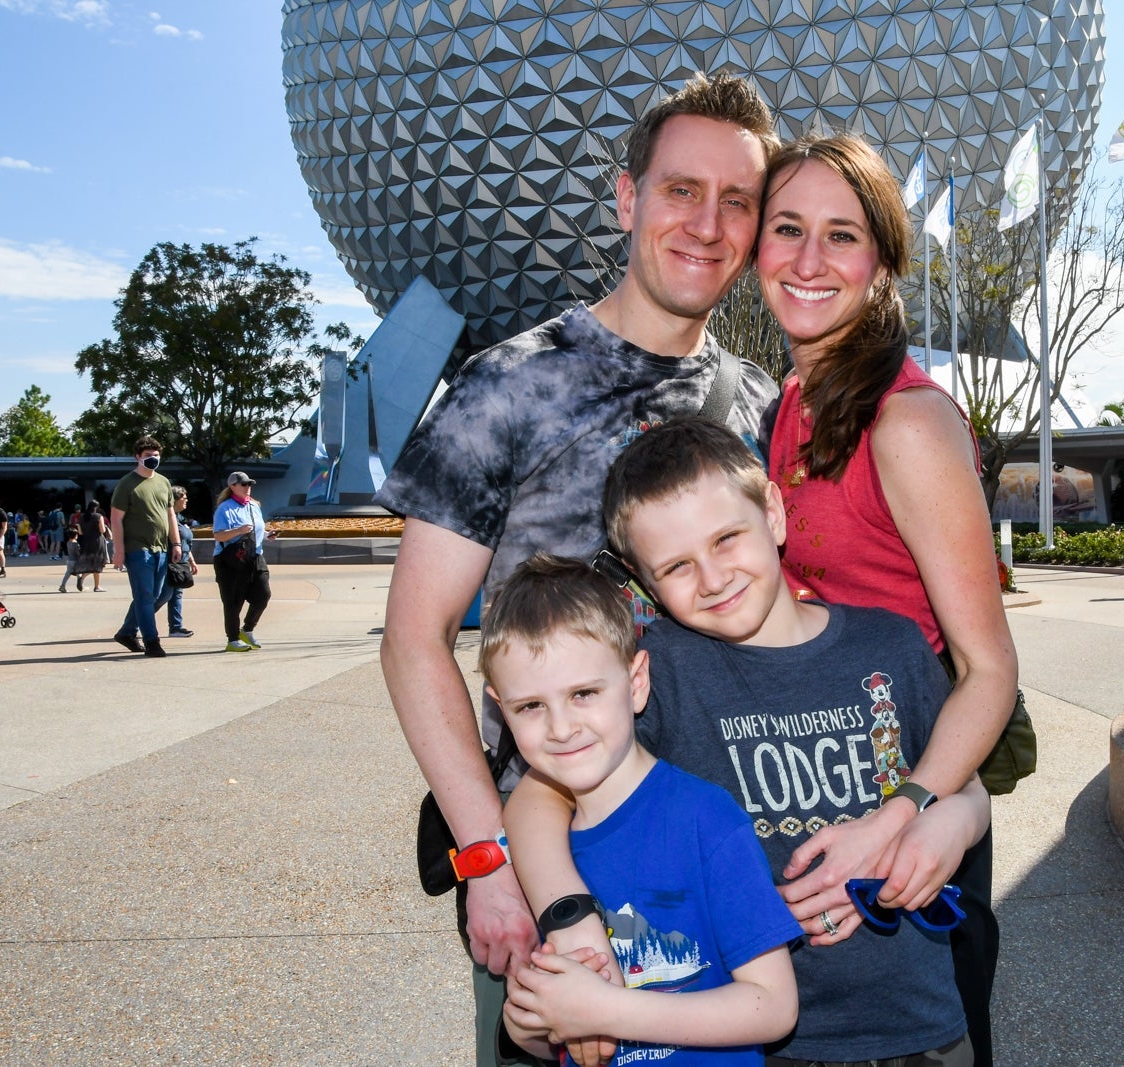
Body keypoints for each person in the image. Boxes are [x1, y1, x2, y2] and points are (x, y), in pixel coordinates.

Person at [374, 71, 781, 1066]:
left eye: (737, 201)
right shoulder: (508, 385)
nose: (706, 223)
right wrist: (488, 859)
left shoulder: (764, 407)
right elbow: (414, 638)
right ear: (626, 196)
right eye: (681, 189)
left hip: (716, 869)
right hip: (556, 873)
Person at [507, 419, 990, 1065]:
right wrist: (567, 915)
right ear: (642, 578)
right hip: (751, 1035)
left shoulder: (892, 644)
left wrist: (951, 824)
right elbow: (537, 796)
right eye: (677, 565)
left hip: (921, 1025)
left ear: (772, 510)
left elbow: (968, 783)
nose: (712, 577)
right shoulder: (660, 673)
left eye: (727, 537)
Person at [756, 133, 1016, 1065]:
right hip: (810, 798)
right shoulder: (790, 401)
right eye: (787, 229)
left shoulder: (906, 422)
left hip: (900, 824)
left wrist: (919, 807)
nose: (811, 261)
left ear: (884, 263)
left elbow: (988, 668)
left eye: (843, 235)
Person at [484, 555, 800, 1064]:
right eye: (531, 707)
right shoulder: (534, 851)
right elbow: (552, 1038)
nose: (561, 727)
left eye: (583, 693)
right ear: (503, 710)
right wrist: (526, 1022)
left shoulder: (706, 820)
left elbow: (774, 1005)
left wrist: (610, 1010)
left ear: (635, 683)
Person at [109, 436, 183, 658]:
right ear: (138, 457)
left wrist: (176, 543)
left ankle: (127, 632)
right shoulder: (127, 484)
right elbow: (116, 519)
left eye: (156, 455)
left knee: (159, 595)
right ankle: (152, 641)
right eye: (148, 456)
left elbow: (170, 515)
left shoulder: (163, 482)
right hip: (137, 549)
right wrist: (119, 550)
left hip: (161, 549)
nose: (153, 459)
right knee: (144, 596)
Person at [212, 472, 274, 653]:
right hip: (232, 560)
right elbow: (218, 535)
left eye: (249, 484)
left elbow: (256, 530)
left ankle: (247, 629)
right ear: (233, 487)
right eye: (244, 484)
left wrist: (267, 535)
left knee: (263, 594)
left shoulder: (254, 506)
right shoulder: (224, 508)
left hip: (254, 556)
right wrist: (238, 531)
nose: (248, 487)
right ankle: (232, 639)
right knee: (233, 601)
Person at [155, 485, 196, 638]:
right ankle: (140, 619)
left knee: (176, 594)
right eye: (183, 497)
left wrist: (191, 560)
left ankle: (176, 627)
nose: (186, 500)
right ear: (175, 500)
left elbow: (184, 541)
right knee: (164, 595)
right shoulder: (167, 518)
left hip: (182, 562)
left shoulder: (179, 518)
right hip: (170, 563)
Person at [74, 504, 109, 593]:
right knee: (97, 564)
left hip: (86, 541)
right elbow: (102, 531)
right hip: (97, 541)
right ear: (96, 508)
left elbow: (80, 532)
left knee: (92, 563)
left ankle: (82, 578)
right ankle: (96, 586)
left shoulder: (82, 517)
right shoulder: (98, 516)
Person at [57, 521, 85, 593]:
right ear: (75, 535)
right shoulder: (75, 543)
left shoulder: (68, 542)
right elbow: (77, 553)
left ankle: (63, 585)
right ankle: (79, 585)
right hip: (75, 561)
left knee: (68, 574)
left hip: (69, 560)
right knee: (79, 573)